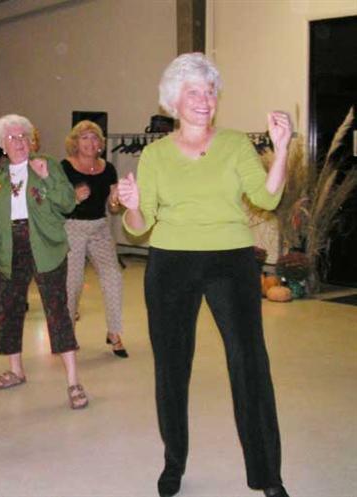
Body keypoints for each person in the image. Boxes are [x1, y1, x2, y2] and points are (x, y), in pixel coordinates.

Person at [117, 53, 292, 497]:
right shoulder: (155, 154)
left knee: (250, 364)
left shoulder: (235, 144)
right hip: (171, 263)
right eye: (193, 91)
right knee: (172, 368)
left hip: (231, 262)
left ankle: (268, 476)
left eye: (210, 91)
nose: (204, 99)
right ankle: (174, 462)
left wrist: (283, 148)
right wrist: (132, 202)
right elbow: (139, 227)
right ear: (173, 101)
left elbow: (267, 198)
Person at [0, 114, 88, 409]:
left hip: (45, 247)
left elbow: (67, 202)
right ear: (2, 145)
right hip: (10, 249)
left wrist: (46, 178)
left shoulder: (47, 165)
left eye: (24, 137)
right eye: (12, 138)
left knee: (57, 312)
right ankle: (16, 370)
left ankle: (74, 382)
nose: (19, 142)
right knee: (9, 309)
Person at [61, 120, 127, 358]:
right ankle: (66, 333)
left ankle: (114, 332)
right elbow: (57, 202)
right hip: (72, 227)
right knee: (73, 282)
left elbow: (113, 207)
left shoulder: (108, 168)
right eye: (85, 138)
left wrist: (116, 200)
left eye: (95, 138)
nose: (90, 143)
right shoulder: (65, 167)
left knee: (113, 277)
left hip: (99, 227)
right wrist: (74, 199)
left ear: (101, 143)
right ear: (75, 143)